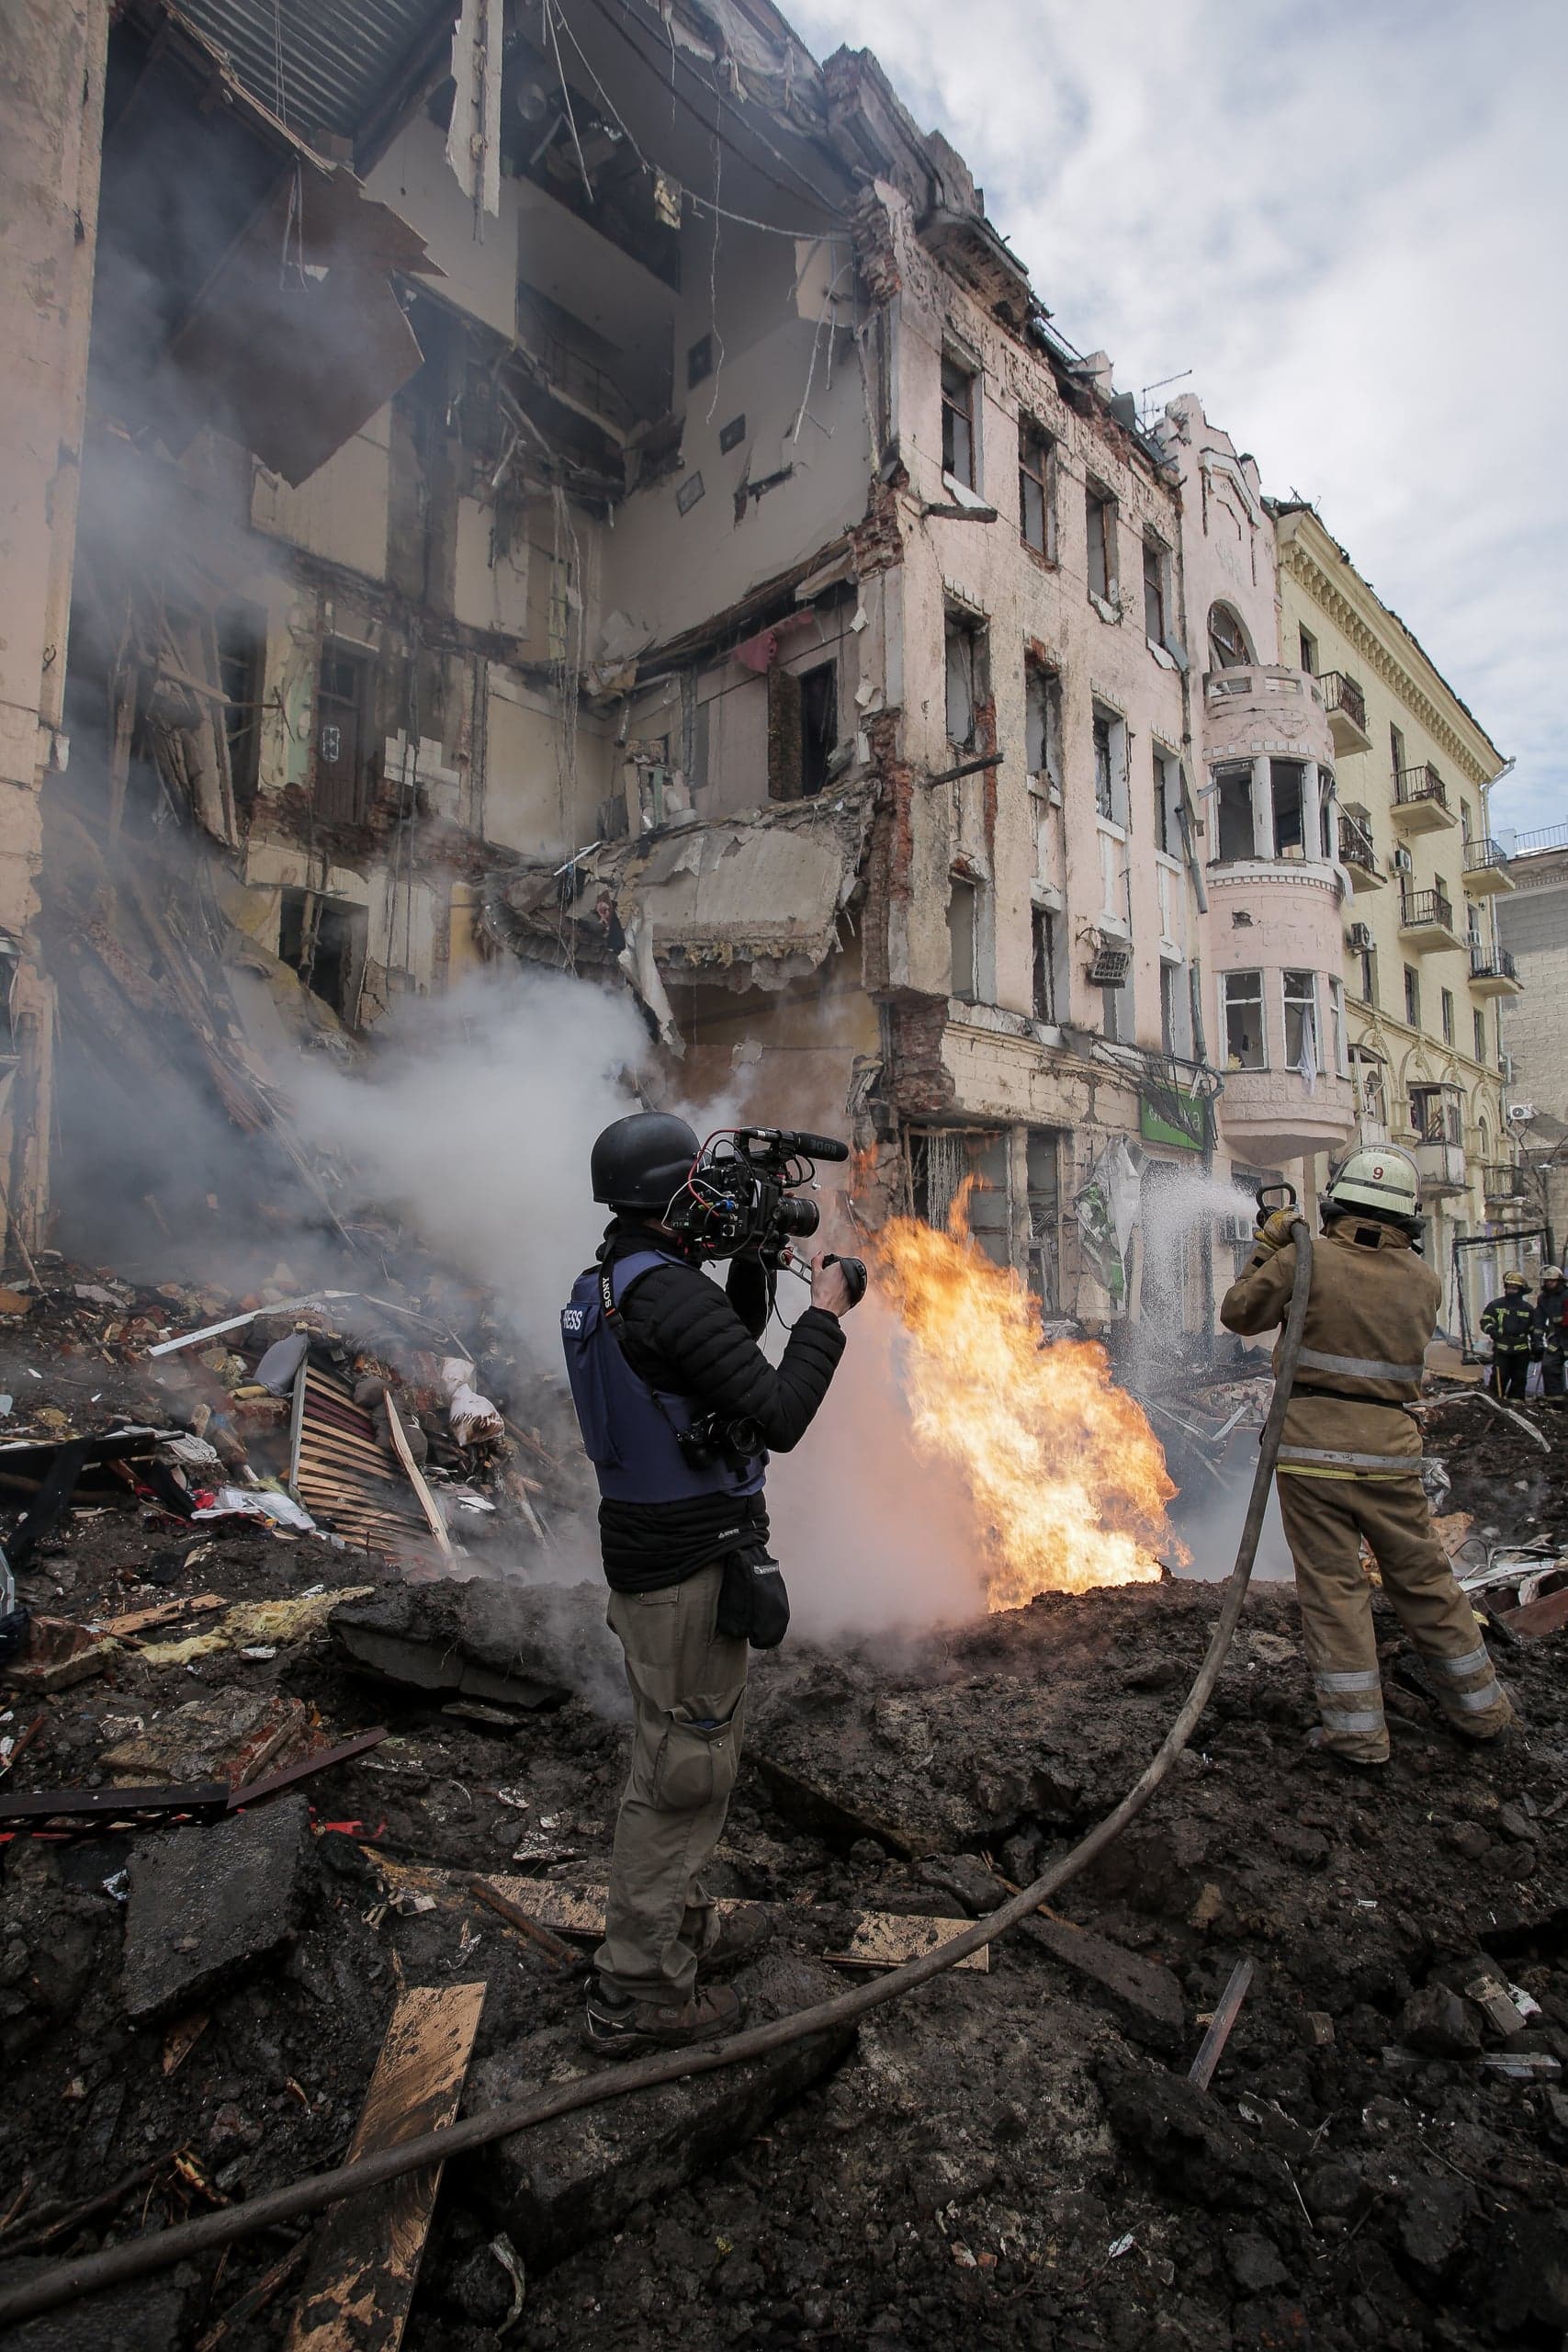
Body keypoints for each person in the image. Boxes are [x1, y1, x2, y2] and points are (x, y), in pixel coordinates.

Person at [561, 1111, 856, 2054]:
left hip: (647, 1557)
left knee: (669, 1759)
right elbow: (774, 1410)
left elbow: (706, 1359)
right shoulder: (665, 1296)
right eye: (700, 1184)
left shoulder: (611, 1284)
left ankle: (662, 1943)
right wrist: (825, 1315)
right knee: (684, 1774)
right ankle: (641, 1988)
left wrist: (752, 1261)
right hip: (685, 1570)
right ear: (670, 1194)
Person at [1220, 1146, 1512, 1770]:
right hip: (1390, 1455)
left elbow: (1239, 1314)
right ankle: (1482, 1711)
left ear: (1335, 1204)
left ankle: (1356, 1738)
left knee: (1333, 1590)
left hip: (1308, 1453)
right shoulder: (1423, 1281)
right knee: (1426, 1581)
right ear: (1407, 1218)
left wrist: (1269, 1250)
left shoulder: (1305, 1259)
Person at [1481, 1272, 1535, 1400]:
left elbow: (1534, 1329)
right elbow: (1485, 1321)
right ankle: (1495, 1402)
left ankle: (1516, 1405)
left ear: (1521, 1290)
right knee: (1500, 1377)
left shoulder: (1528, 1309)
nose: (1511, 1291)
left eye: (1514, 1288)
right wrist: (1492, 1331)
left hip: (1521, 1351)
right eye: (1509, 1287)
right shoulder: (1496, 1305)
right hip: (1502, 1349)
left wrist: (1536, 1345)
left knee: (1519, 1379)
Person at [1532, 1265, 1568, 1400]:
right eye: (1546, 1281)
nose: (1548, 1283)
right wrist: (1537, 1342)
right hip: (1558, 1338)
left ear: (1559, 1280)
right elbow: (1539, 1321)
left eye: (1551, 1280)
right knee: (1548, 1365)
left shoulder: (1567, 1294)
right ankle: (1555, 1401)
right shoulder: (1543, 1298)